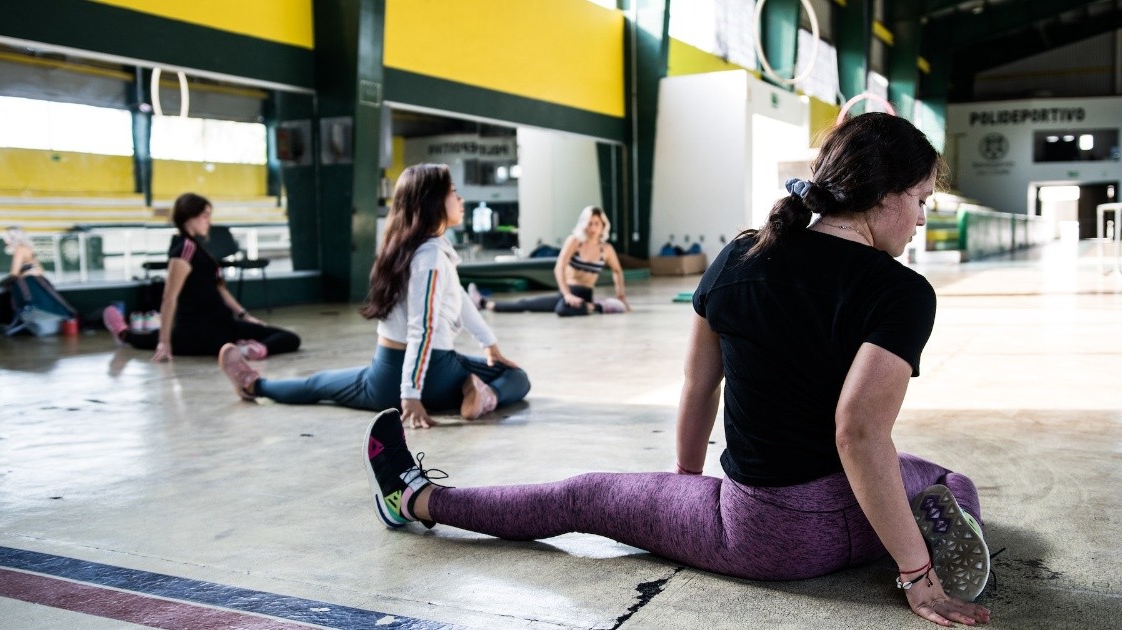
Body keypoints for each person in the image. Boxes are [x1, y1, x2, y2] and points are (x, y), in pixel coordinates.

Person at [361, 113, 993, 626]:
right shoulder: (903, 291)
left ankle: (414, 498)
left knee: (583, 497)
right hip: (862, 523)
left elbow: (701, 383)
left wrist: (688, 483)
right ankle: (934, 534)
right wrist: (915, 571)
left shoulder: (743, 255)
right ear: (882, 196)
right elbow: (861, 438)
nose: (919, 218)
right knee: (942, 477)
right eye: (918, 200)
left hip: (766, 536)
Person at [219, 163, 530, 428]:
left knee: (317, 384)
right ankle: (484, 394)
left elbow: (459, 298)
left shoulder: (405, 250)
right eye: (452, 192)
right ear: (433, 201)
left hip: (385, 373)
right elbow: (423, 329)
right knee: (516, 378)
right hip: (431, 374)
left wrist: (489, 344)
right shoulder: (431, 257)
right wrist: (410, 393)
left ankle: (254, 384)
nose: (460, 198)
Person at [103, 193, 301, 362]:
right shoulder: (184, 250)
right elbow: (169, 297)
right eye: (205, 216)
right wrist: (165, 342)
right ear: (190, 217)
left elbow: (219, 288)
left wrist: (245, 316)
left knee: (288, 338)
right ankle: (123, 332)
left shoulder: (199, 249)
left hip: (222, 326)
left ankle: (253, 349)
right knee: (150, 339)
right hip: (197, 330)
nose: (209, 222)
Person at [470, 206, 629, 316]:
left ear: (603, 226)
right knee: (526, 304)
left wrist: (621, 295)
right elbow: (559, 267)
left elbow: (617, 271)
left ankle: (594, 306)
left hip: (585, 295)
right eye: (590, 223)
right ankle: (482, 303)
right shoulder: (575, 241)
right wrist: (567, 294)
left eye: (597, 223)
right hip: (567, 292)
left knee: (562, 310)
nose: (593, 228)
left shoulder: (606, 249)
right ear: (584, 224)